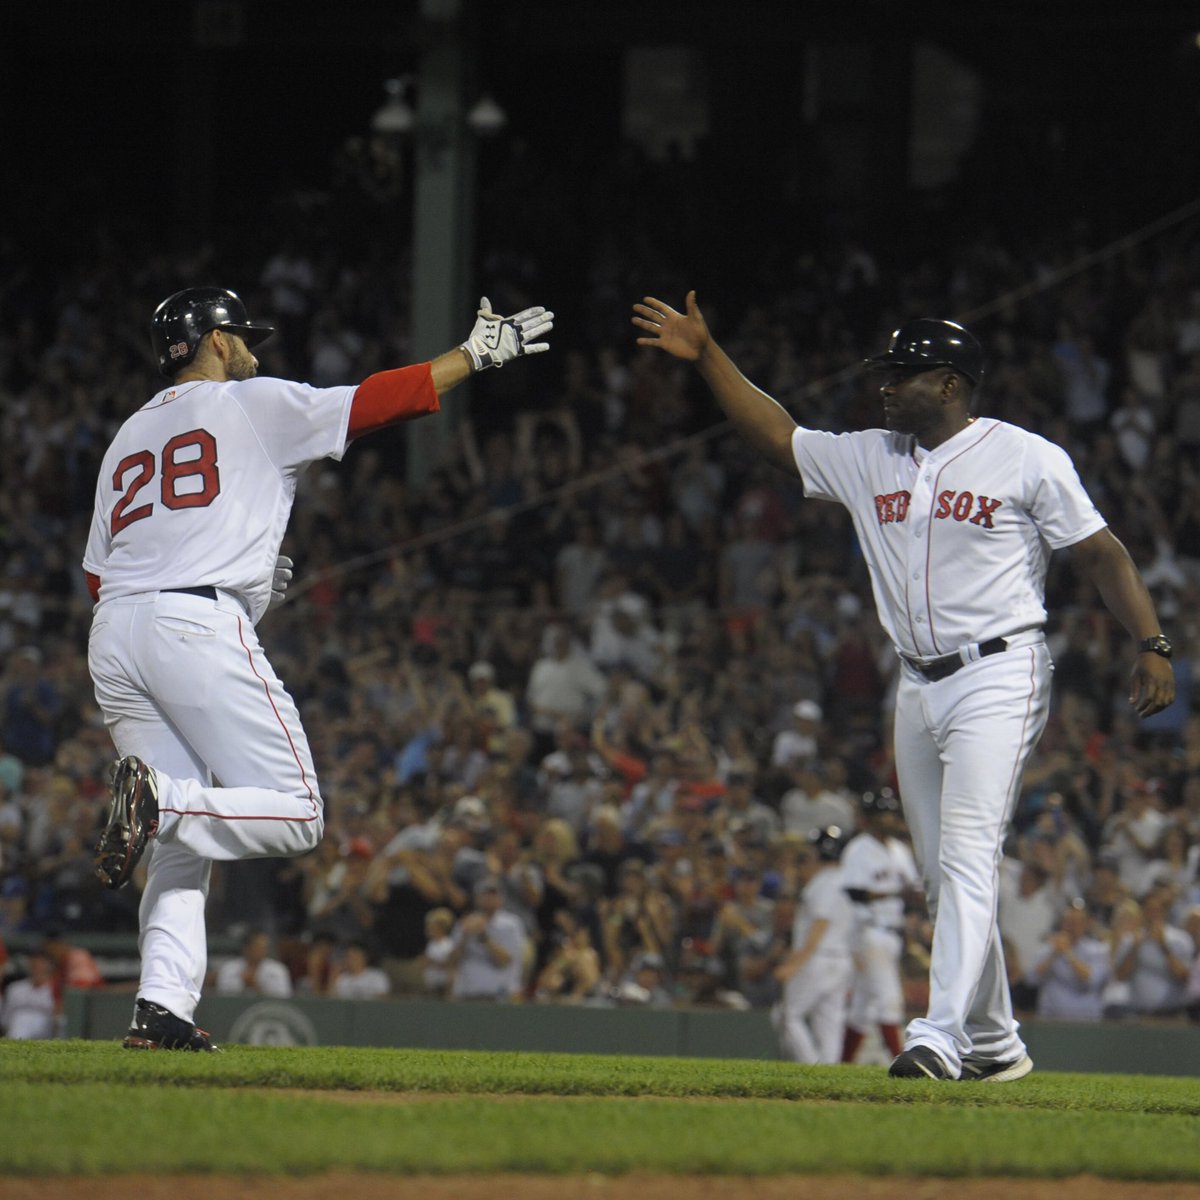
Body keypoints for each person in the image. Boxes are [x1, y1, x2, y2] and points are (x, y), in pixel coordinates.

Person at [634, 294, 1175, 1082]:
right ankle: (997, 1046)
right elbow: (779, 437)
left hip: (1001, 667)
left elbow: (1101, 554)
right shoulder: (870, 456)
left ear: (950, 384)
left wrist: (1152, 643)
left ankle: (939, 1036)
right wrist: (710, 355)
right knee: (939, 873)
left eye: (903, 374)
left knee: (966, 855)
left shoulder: (1027, 456)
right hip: (916, 685)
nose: (885, 386)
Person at [84, 286, 552, 1051]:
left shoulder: (125, 440)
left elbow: (102, 577)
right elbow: (374, 404)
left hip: (116, 631)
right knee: (296, 811)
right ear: (215, 342)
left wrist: (231, 575)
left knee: (182, 839)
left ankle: (159, 1005)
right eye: (242, 333)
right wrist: (471, 358)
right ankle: (160, 802)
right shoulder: (249, 402)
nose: (252, 345)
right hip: (190, 623)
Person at [839, 788, 921, 1064]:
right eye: (882, 813)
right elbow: (854, 892)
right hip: (868, 931)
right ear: (870, 818)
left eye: (890, 812)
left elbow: (912, 890)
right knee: (889, 1000)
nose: (889, 818)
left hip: (893, 932)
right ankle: (902, 1062)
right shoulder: (858, 849)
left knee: (863, 1006)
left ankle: (843, 1064)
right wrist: (894, 894)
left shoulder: (899, 850)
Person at [772, 825, 855, 1064]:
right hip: (841, 958)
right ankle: (828, 1074)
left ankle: (810, 1066)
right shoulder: (846, 880)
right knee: (829, 1022)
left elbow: (820, 925)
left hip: (818, 957)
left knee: (785, 1016)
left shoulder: (824, 883)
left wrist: (794, 964)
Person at [214, 929, 293, 998]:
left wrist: (256, 986)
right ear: (246, 948)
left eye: (264, 947)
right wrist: (243, 985)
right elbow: (223, 997)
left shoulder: (278, 970)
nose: (262, 950)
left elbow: (283, 999)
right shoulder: (229, 969)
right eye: (257, 947)